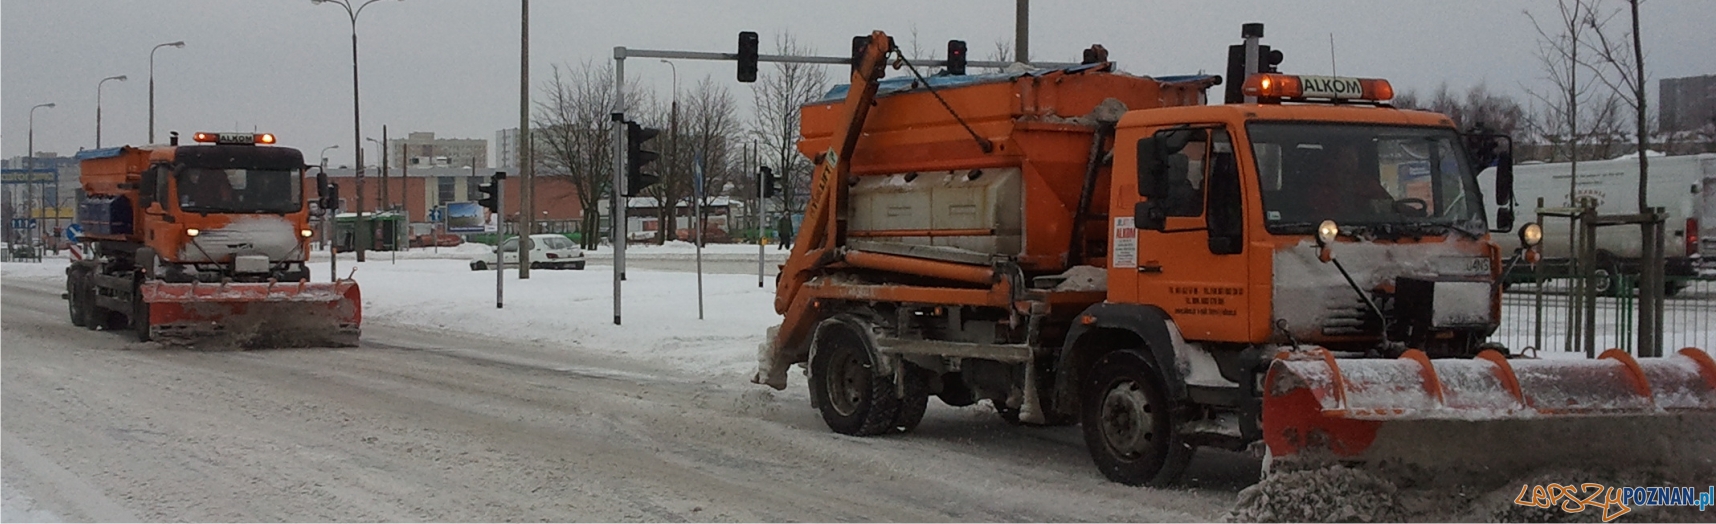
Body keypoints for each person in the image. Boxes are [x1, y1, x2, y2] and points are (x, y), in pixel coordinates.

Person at [1307, 146, 1394, 217]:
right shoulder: (1322, 185)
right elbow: (1320, 215)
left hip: (1367, 229)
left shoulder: (1365, 182)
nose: (1352, 162)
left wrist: (1401, 209)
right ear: (1335, 160)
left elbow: (1388, 203)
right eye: (1347, 157)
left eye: (1355, 157)